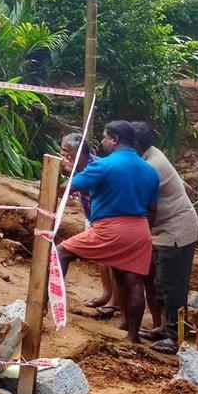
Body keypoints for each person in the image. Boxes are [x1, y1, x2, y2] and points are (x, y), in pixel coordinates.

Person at [58, 120, 159, 343]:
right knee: (134, 282)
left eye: (104, 137)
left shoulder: (104, 165)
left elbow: (66, 191)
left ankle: (52, 308)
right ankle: (133, 338)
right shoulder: (149, 170)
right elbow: (153, 209)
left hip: (109, 228)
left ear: (114, 139)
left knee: (60, 253)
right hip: (140, 229)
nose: (101, 142)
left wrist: (56, 177)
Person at [131, 121, 198, 355]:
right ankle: (165, 327)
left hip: (176, 230)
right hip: (166, 229)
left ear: (137, 144)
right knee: (161, 282)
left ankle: (176, 337)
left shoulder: (152, 166)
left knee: (173, 286)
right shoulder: (148, 157)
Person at [60, 132, 119, 318]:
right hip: (92, 216)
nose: (62, 154)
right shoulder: (77, 166)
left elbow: (81, 188)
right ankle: (107, 294)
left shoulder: (94, 166)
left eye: (65, 150)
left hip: (106, 218)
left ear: (74, 153)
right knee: (102, 259)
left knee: (112, 260)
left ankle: (115, 301)